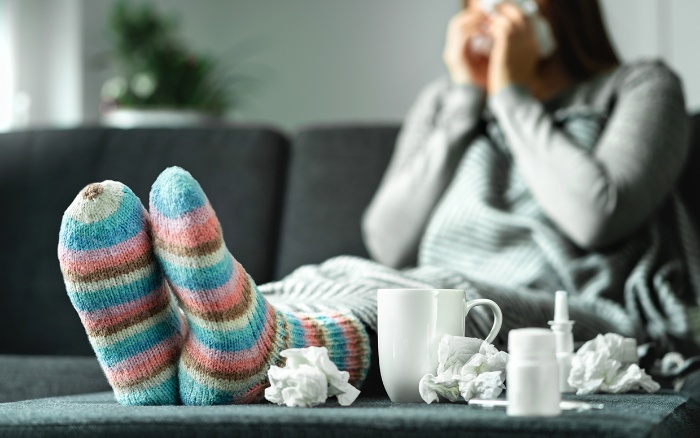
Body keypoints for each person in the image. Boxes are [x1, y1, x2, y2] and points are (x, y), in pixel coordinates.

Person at [57, 0, 698, 407]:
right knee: (330, 272)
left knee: (434, 290)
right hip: (421, 282)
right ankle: (176, 363)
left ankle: (257, 353)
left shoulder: (641, 87)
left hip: (573, 310)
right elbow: (386, 239)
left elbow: (597, 215)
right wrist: (462, 107)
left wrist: (509, 94)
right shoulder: (446, 107)